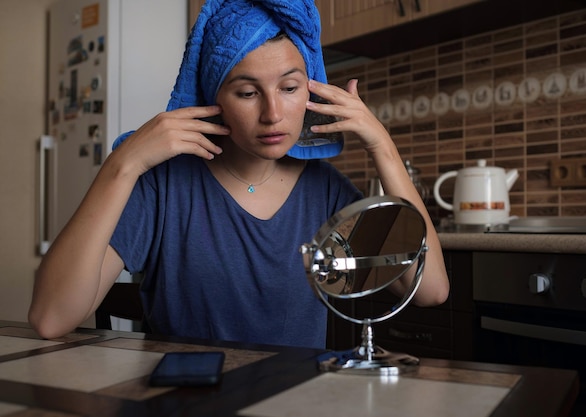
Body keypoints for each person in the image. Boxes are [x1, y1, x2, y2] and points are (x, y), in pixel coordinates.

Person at [29, 0, 449, 348]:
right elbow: (50, 318)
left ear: (311, 89)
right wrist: (124, 164)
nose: (272, 114)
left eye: (289, 88)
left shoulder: (325, 191)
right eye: (247, 93)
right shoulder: (164, 185)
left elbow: (431, 290)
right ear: (216, 99)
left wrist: (383, 147)